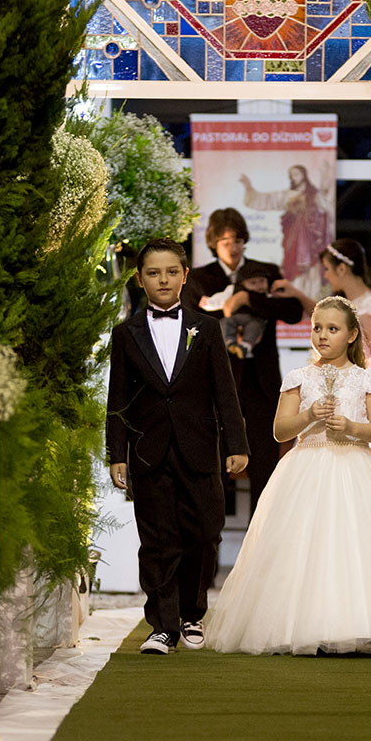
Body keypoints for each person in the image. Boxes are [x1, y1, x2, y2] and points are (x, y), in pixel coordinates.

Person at [206, 297, 371, 655]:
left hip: (355, 466)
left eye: (332, 329)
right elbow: (280, 430)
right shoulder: (299, 377)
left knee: (356, 544)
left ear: (351, 335)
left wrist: (350, 426)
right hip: (306, 467)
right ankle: (306, 625)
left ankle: (363, 623)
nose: (322, 335)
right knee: (307, 545)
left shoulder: (366, 378)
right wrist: (309, 416)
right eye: (317, 328)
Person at [107, 238, 249, 655]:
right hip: (148, 450)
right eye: (153, 273)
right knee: (157, 540)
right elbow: (118, 399)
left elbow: (225, 391)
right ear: (140, 280)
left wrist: (236, 443)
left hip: (199, 447)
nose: (163, 280)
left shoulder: (206, 328)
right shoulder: (126, 334)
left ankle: (192, 614)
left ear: (185, 276)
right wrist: (117, 454)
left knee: (204, 533)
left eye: (171, 272)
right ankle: (163, 626)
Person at [274, 239, 371, 545]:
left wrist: (349, 378)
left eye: (328, 270)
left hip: (360, 399)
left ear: (343, 269)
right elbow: (323, 316)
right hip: (329, 400)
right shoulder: (338, 311)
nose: (326, 276)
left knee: (366, 485)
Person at [182, 208, 303, 514]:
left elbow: (292, 311)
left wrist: (249, 299)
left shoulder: (265, 271)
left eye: (237, 240)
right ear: (213, 243)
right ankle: (210, 534)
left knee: (265, 461)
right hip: (217, 383)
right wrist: (225, 310)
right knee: (216, 461)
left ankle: (262, 534)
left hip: (261, 381)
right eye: (225, 242)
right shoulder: (199, 278)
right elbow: (189, 322)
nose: (233, 248)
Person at [239, 164, 330, 291]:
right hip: (292, 239)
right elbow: (266, 200)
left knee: (311, 272)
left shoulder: (314, 195)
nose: (294, 177)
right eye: (291, 175)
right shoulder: (287, 195)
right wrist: (249, 188)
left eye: (296, 174)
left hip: (310, 241)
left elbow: (325, 205)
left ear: (304, 175)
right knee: (292, 268)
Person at [214, 262, 271, 359]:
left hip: (254, 319)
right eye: (253, 283)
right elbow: (221, 299)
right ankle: (229, 342)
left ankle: (245, 346)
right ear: (243, 283)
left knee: (254, 327)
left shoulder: (268, 294)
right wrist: (208, 302)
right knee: (225, 322)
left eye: (262, 281)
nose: (259, 286)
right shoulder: (234, 290)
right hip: (236, 317)